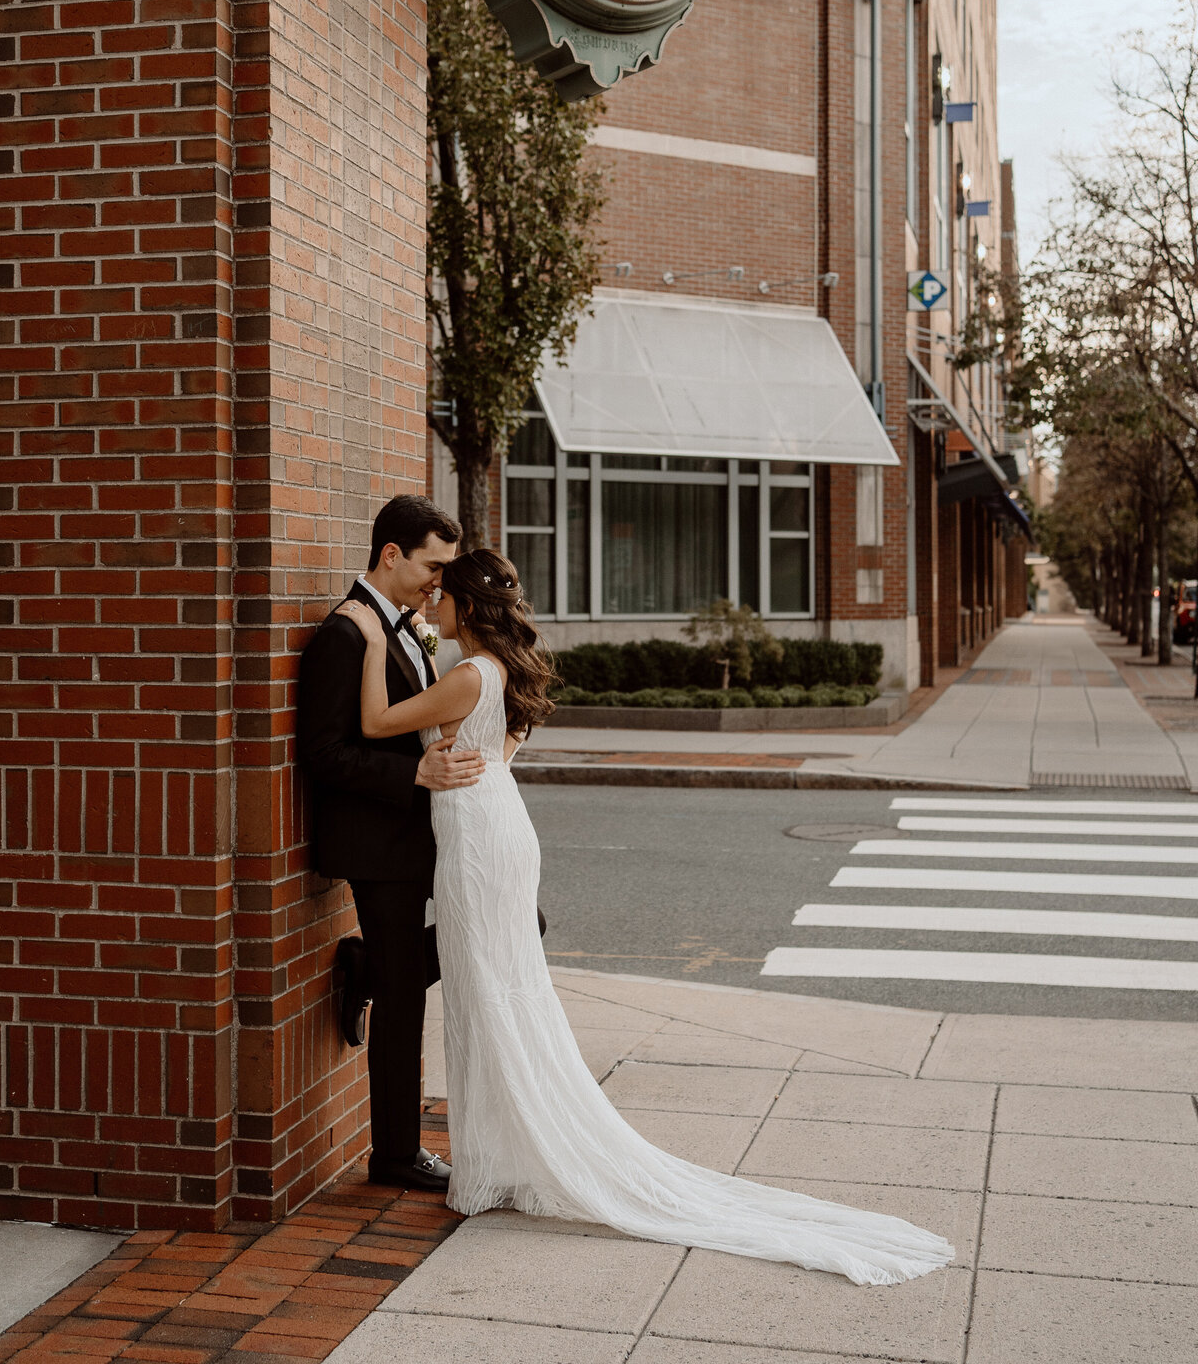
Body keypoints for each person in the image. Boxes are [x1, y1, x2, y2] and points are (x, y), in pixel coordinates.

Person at [335, 546, 954, 1287]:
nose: (431, 602)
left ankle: (497, 1161)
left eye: (442, 594)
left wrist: (372, 640)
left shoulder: (467, 675)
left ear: (465, 607)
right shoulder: (496, 673)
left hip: (476, 843)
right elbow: (495, 748)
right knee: (495, 991)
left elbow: (374, 720)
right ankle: (499, 1157)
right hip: (496, 823)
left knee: (486, 997)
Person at [295, 494, 482, 1192]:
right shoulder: (346, 635)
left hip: (423, 833)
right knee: (407, 1000)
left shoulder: (412, 626)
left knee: (510, 924)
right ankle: (396, 1156)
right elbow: (322, 752)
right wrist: (416, 773)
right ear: (391, 554)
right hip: (378, 843)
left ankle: (366, 969)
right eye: (433, 565)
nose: (441, 581)